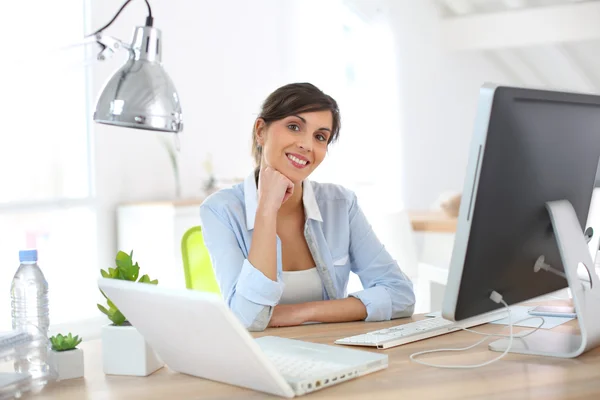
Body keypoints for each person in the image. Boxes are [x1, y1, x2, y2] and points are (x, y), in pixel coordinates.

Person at [199, 83, 415, 331]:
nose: (307, 145)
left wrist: (299, 313)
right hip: (258, 359)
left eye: (320, 137)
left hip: (330, 352)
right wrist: (267, 209)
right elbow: (249, 318)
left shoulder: (341, 204)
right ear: (261, 131)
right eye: (294, 127)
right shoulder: (220, 210)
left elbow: (401, 295)